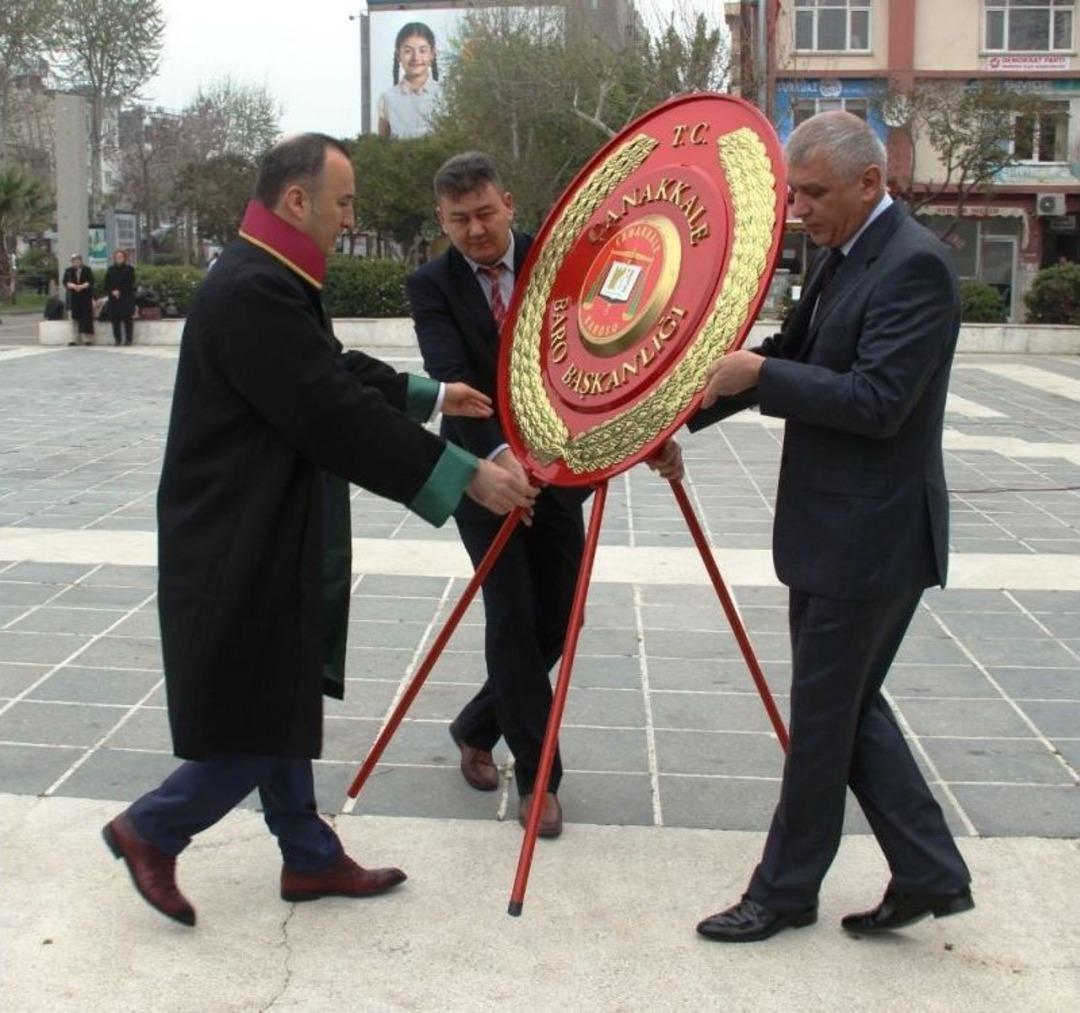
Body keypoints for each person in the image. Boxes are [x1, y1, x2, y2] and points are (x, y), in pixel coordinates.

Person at [101, 133, 538, 928]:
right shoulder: (251, 289)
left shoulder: (267, 275)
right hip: (236, 534)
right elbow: (329, 410)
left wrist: (433, 394)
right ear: (298, 201)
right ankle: (153, 827)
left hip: (266, 522)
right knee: (259, 704)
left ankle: (306, 853)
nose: (349, 218)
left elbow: (329, 367)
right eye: (343, 202)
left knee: (282, 682)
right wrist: (466, 473)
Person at [688, 111, 972, 943]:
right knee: (846, 709)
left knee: (821, 721)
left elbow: (878, 402)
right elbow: (796, 351)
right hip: (832, 535)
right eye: (792, 192)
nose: (797, 209)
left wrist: (765, 373)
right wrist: (677, 416)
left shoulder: (914, 267)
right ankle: (929, 870)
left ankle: (782, 892)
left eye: (811, 193)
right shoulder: (842, 256)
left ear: (869, 183)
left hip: (872, 542)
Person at [407, 151, 682, 839]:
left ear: (509, 203)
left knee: (557, 618)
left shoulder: (562, 261)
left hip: (562, 471)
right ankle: (538, 774)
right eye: (458, 220)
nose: (474, 231)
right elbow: (454, 380)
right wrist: (500, 459)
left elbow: (607, 353)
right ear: (442, 220)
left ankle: (476, 725)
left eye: (485, 214)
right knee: (511, 612)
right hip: (484, 476)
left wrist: (648, 432)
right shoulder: (431, 286)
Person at [377, 22, 441, 139]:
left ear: (433, 54)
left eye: (422, 50)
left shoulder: (446, 94)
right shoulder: (387, 98)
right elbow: (383, 144)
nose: (416, 57)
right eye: (408, 51)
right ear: (398, 56)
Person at [104, 250, 136, 346]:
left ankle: (128, 339)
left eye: (121, 257)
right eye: (117, 257)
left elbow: (131, 283)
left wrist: (120, 290)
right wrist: (112, 291)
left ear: (124, 258)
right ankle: (117, 339)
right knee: (115, 320)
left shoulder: (129, 269)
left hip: (126, 297)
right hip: (114, 298)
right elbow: (106, 284)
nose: (119, 258)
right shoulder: (110, 270)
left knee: (127, 320)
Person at [62, 254, 94, 345]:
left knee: (85, 318)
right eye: (74, 261)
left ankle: (86, 339)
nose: (76, 262)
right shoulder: (68, 271)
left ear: (81, 261)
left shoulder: (87, 270)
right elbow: (65, 282)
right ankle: (73, 339)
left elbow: (91, 281)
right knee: (73, 319)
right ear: (71, 262)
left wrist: (82, 286)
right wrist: (73, 286)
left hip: (84, 297)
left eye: (78, 260)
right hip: (72, 297)